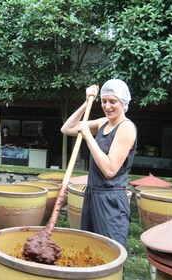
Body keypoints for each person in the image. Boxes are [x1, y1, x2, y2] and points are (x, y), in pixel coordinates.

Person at [61, 79, 137, 247]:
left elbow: (110, 170)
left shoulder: (126, 128)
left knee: (110, 253)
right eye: (104, 101)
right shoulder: (104, 123)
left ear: (123, 102)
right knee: (89, 251)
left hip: (111, 200)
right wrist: (87, 102)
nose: (107, 106)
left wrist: (88, 137)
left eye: (112, 101)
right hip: (92, 195)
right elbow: (67, 128)